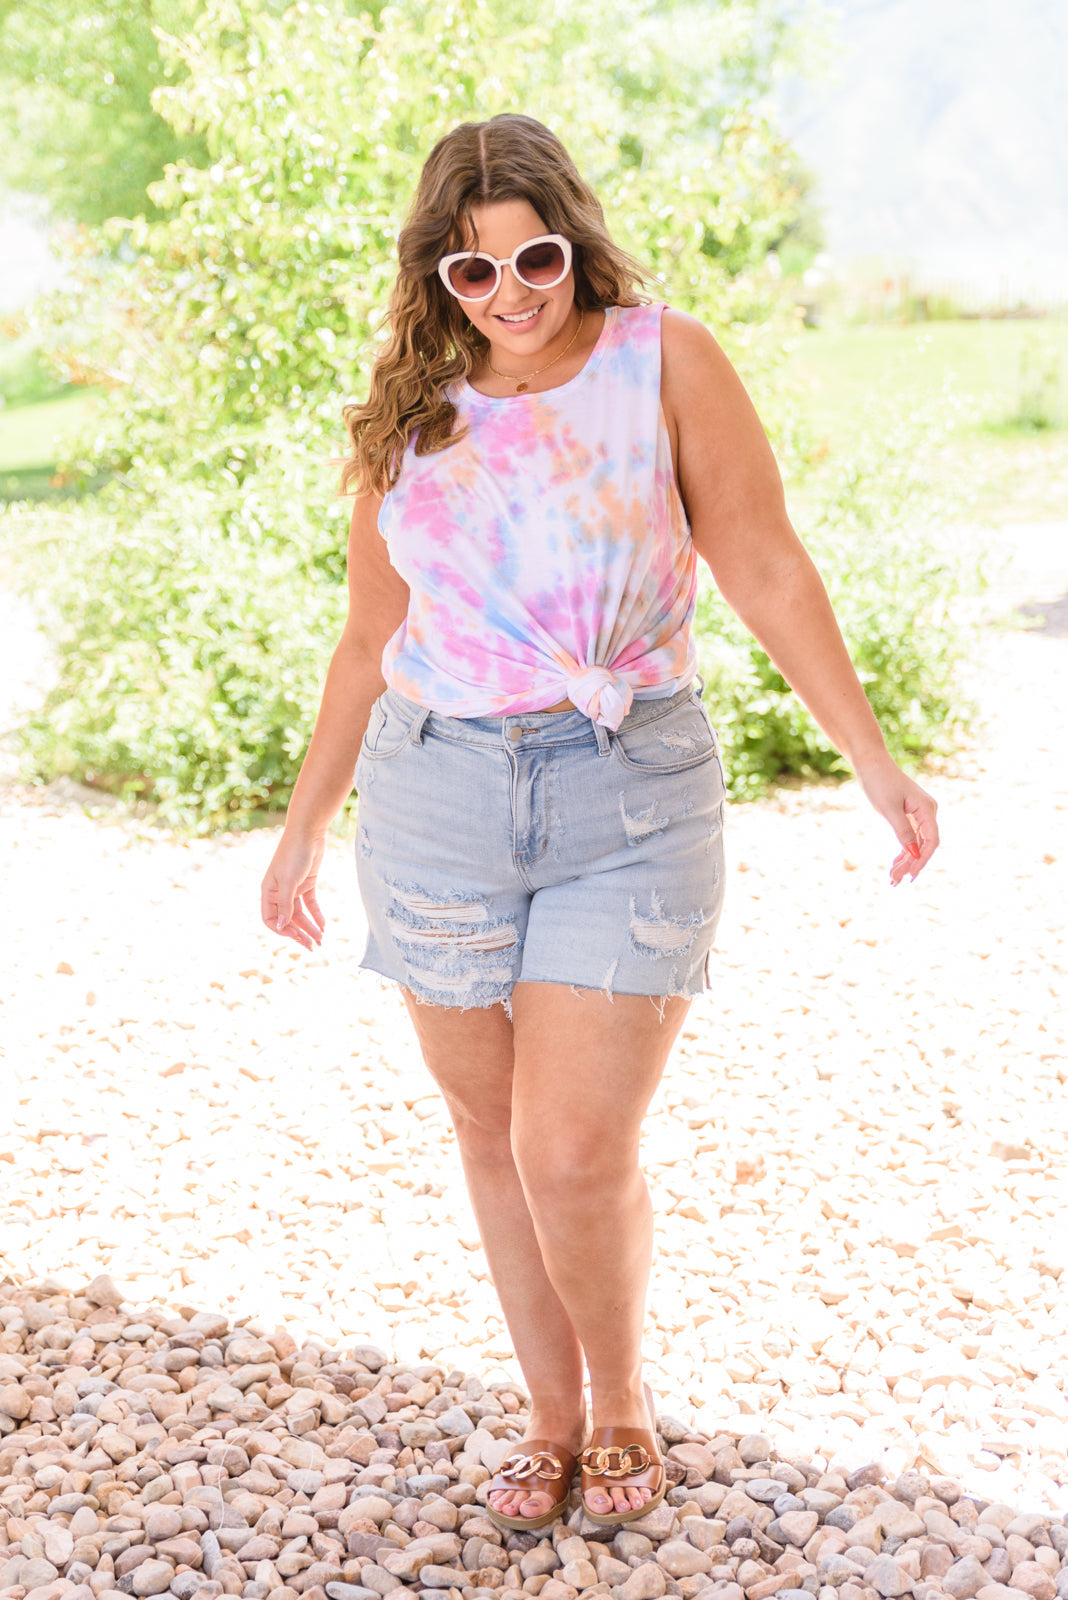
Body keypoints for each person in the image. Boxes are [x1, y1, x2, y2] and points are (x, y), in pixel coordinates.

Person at [260, 113, 938, 1533]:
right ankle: (550, 1419)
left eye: (537, 257)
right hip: (436, 793)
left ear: (578, 240)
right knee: (492, 1132)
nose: (514, 294)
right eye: (475, 272)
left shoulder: (662, 363)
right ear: (437, 280)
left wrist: (873, 762)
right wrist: (303, 825)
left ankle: (619, 1400)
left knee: (572, 1146)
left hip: (628, 792)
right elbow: (367, 640)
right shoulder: (412, 417)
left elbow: (761, 559)